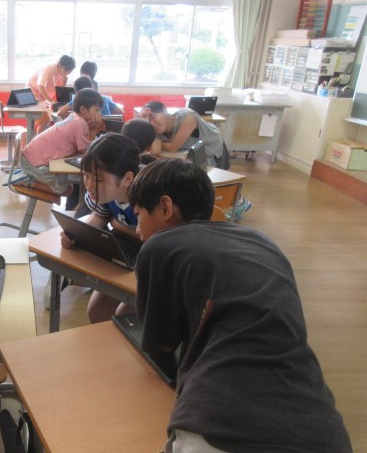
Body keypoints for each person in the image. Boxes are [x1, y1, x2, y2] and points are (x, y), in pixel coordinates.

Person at [129, 159, 352, 453]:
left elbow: (161, 344)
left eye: (138, 215)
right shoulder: (262, 240)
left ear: (165, 207)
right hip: (322, 431)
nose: (137, 229)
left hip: (219, 425)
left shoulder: (157, 246)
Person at [60, 133, 141, 323]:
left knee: (123, 317)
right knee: (97, 311)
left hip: (157, 260)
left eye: (98, 179)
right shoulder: (107, 195)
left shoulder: (146, 198)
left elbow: (156, 239)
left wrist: (117, 225)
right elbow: (99, 216)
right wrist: (75, 235)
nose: (89, 186)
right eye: (86, 176)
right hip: (128, 251)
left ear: (127, 178)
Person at [138, 100, 250, 220]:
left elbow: (173, 147)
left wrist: (161, 143)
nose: (153, 123)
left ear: (165, 110)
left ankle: (240, 202)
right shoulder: (157, 130)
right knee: (194, 180)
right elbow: (155, 151)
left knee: (212, 182)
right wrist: (145, 122)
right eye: (149, 121)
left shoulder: (187, 117)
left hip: (212, 149)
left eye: (153, 117)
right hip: (192, 153)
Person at [17, 88, 104, 197]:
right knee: (67, 190)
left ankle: (31, 179)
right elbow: (87, 152)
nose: (99, 114)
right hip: (33, 165)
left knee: (68, 186)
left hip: (28, 158)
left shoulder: (74, 116)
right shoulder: (80, 124)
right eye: (96, 110)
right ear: (83, 109)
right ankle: (28, 182)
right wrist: (93, 131)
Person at [55, 76, 124, 119]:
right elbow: (121, 112)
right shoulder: (104, 98)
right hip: (106, 132)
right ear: (93, 86)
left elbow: (59, 113)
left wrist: (77, 114)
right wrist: (106, 115)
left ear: (76, 92)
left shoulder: (78, 101)